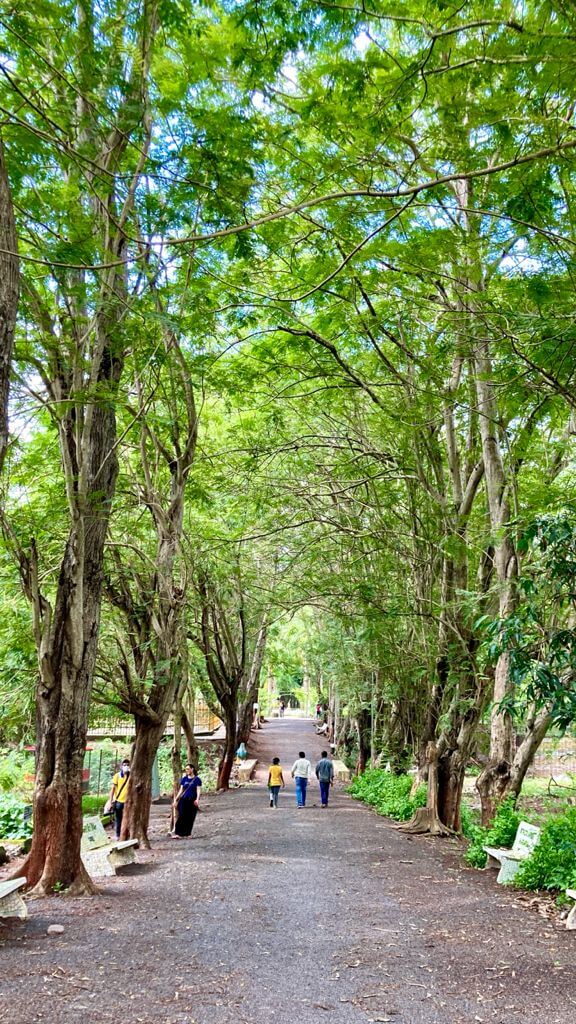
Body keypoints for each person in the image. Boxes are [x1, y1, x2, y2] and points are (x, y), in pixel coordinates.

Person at [173, 763, 202, 838]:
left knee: (190, 817)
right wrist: (176, 799)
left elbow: (198, 790)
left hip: (192, 800)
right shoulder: (184, 779)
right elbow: (181, 790)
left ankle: (188, 833)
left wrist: (197, 799)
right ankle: (178, 833)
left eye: (188, 769)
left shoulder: (197, 780)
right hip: (184, 800)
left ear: (192, 769)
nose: (187, 771)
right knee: (182, 816)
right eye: (186, 769)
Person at [108, 758, 131, 840]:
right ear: (121, 766)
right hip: (119, 802)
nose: (126, 766)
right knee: (118, 819)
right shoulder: (117, 776)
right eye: (124, 765)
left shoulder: (131, 776)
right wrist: (110, 802)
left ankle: (127, 835)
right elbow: (112, 789)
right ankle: (118, 835)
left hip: (128, 802)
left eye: (128, 765)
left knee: (128, 819)